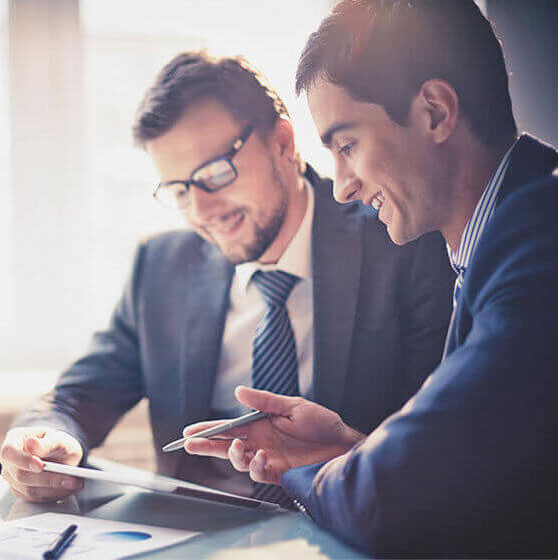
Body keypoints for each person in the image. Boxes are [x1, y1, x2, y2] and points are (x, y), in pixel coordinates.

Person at [0, 51, 453, 507]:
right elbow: (77, 396)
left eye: (215, 172)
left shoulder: (401, 241)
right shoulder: (161, 267)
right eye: (179, 190)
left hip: (345, 531)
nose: (202, 210)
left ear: (282, 142)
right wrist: (43, 439)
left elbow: (440, 447)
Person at [183, 1, 558, 555]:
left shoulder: (537, 241)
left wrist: (304, 472)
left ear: (434, 111)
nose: (342, 187)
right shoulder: (501, 235)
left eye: (348, 146)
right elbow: (479, 478)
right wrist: (350, 451)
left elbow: (388, 499)